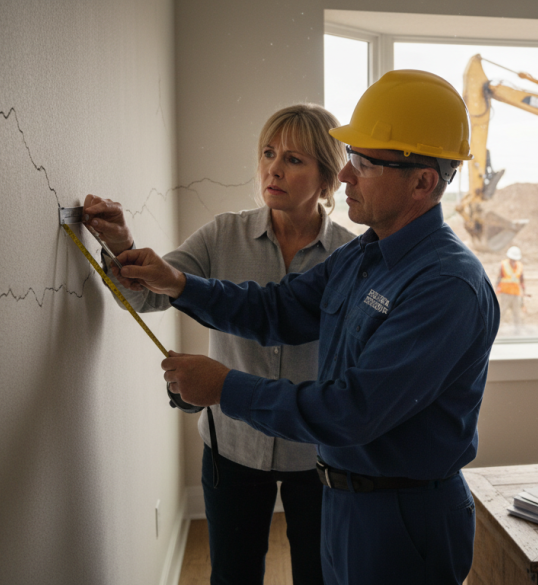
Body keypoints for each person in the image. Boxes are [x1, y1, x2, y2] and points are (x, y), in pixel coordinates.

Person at [113, 70, 500, 585]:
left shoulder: (446, 286)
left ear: (423, 182)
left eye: (363, 163)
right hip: (344, 501)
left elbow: (352, 411)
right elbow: (277, 309)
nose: (345, 177)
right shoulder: (366, 255)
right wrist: (180, 283)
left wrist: (226, 387)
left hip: (401, 518)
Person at [82, 103, 355, 585]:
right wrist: (122, 246)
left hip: (314, 454)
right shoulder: (223, 234)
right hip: (231, 445)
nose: (274, 168)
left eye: (294, 159)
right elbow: (146, 297)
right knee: (233, 575)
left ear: (328, 178)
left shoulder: (349, 258)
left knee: (321, 575)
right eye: (269, 153)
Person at [496, 245, 526, 332]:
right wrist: (496, 290)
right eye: (512, 259)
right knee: (501, 312)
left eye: (515, 259)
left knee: (517, 313)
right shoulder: (503, 264)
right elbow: (499, 278)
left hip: (516, 293)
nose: (513, 261)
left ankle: (518, 331)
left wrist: (523, 292)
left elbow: (522, 280)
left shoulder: (520, 266)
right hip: (505, 293)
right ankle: (496, 330)